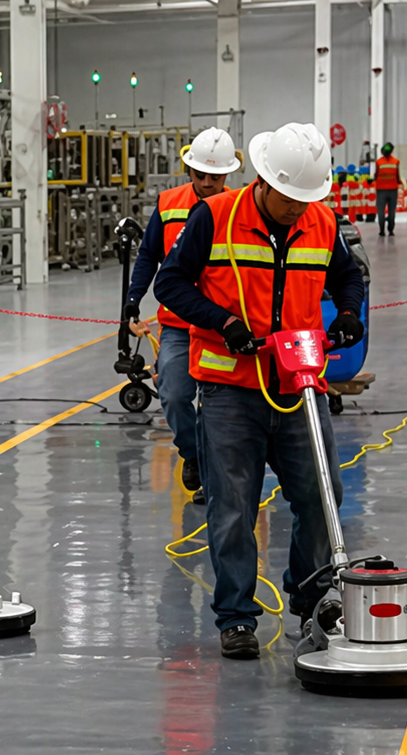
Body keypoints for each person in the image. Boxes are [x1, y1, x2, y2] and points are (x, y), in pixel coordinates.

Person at [153, 122, 365, 661]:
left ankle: (311, 599)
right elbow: (170, 283)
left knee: (321, 496)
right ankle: (236, 617)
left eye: (305, 199)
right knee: (232, 509)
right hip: (230, 391)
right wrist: (223, 322)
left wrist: (347, 312)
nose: (297, 209)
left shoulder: (321, 221)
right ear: (265, 182)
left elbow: (348, 276)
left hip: (299, 387)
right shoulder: (215, 217)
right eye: (289, 198)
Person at [124, 127, 241, 503]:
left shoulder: (239, 209)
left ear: (227, 174)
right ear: (188, 169)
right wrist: (133, 298)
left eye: (215, 177)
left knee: (220, 408)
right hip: (178, 325)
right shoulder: (169, 204)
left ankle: (213, 476)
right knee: (174, 396)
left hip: (222, 326)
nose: (207, 183)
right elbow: (148, 255)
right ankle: (192, 453)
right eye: (200, 175)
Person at [375, 142, 401, 237]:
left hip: (381, 190)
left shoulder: (378, 162)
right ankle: (391, 230)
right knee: (391, 211)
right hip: (393, 189)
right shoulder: (396, 161)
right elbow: (397, 176)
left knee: (381, 211)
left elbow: (376, 175)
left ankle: (382, 230)